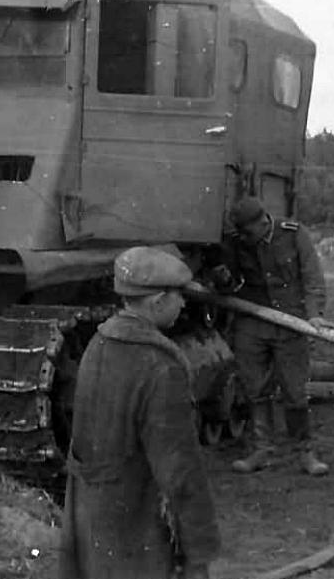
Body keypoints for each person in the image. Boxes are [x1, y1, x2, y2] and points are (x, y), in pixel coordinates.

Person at [59, 246, 221, 579]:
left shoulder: (97, 344)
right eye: (179, 295)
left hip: (93, 517)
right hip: (136, 526)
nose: (184, 303)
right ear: (158, 301)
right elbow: (180, 470)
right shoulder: (161, 365)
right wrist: (198, 553)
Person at [209, 197, 334, 476]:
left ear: (263, 222)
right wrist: (224, 280)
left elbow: (312, 278)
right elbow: (230, 286)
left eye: (248, 232)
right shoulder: (237, 241)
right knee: (255, 390)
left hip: (290, 323)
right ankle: (261, 451)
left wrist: (314, 315)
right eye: (240, 233)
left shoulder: (294, 234)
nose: (244, 238)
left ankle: (305, 452)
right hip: (252, 322)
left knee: (295, 392)